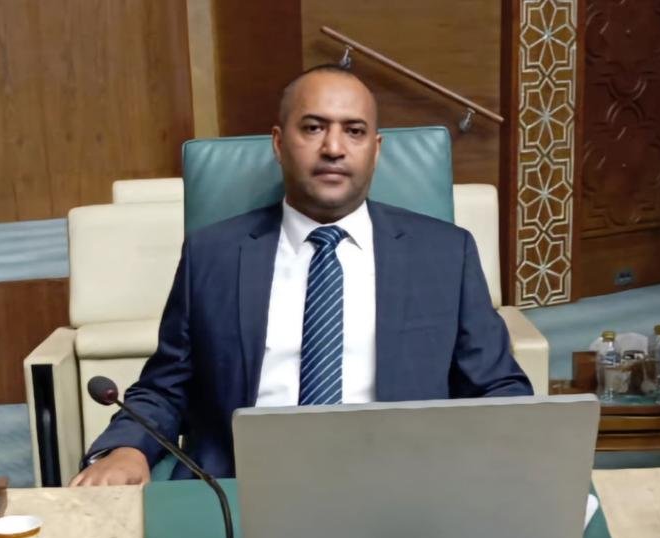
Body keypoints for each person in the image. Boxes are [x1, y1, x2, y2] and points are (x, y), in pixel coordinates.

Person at [71, 65, 531, 485]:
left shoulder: (445, 254)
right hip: (242, 489)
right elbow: (165, 387)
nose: (333, 148)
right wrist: (127, 448)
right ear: (278, 142)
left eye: (354, 131)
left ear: (376, 150)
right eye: (313, 127)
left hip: (401, 488)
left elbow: (497, 387)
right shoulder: (212, 254)